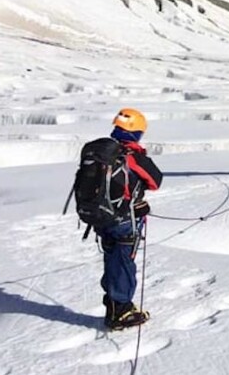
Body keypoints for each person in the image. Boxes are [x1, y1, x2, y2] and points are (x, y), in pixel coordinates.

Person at [101, 108, 162, 330]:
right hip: (125, 219)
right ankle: (122, 310)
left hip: (102, 218)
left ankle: (112, 303)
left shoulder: (101, 152)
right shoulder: (132, 156)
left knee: (112, 258)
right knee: (125, 261)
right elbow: (156, 181)